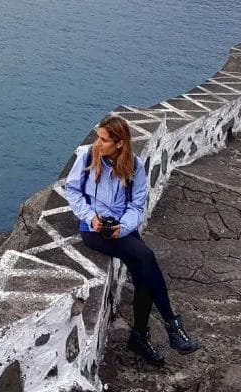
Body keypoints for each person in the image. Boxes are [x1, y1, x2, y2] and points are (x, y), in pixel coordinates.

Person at [64, 115, 200, 365]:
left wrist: (122, 227)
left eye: (104, 139)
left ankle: (139, 336)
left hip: (121, 230)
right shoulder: (86, 156)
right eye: (98, 137)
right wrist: (91, 217)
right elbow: (71, 190)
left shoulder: (134, 166)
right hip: (92, 230)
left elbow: (137, 206)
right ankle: (171, 325)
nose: (98, 143)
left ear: (119, 143)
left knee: (144, 275)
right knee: (146, 257)